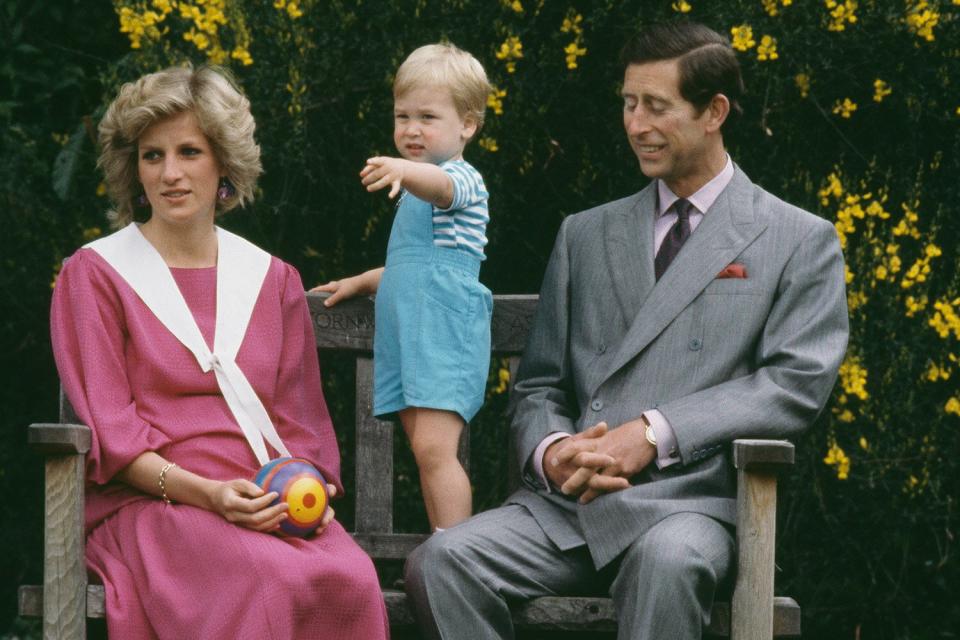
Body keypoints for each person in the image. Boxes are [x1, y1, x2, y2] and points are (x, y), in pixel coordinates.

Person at [404, 21, 849, 639]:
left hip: (689, 509)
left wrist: (655, 431)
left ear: (714, 111)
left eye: (656, 107)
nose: (636, 124)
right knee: (441, 562)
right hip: (567, 508)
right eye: (628, 103)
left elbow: (793, 385)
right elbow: (540, 388)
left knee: (667, 564)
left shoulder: (797, 238)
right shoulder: (585, 234)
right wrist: (554, 453)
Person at [50, 65, 389, 639]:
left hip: (264, 496)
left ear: (224, 164)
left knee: (352, 579)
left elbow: (300, 424)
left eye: (190, 151)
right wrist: (209, 494)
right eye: (152, 156)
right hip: (155, 501)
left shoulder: (273, 279)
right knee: (263, 581)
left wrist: (310, 491)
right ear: (132, 168)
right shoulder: (97, 275)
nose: (170, 173)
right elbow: (112, 433)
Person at [313, 43, 493, 532]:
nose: (411, 129)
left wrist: (401, 170)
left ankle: (455, 553)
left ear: (468, 125)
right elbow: (413, 267)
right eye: (402, 116)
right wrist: (362, 281)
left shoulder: (461, 180)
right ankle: (444, 546)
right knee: (424, 450)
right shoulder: (417, 189)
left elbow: (441, 188)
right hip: (411, 334)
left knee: (437, 451)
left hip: (440, 335)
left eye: (428, 117)